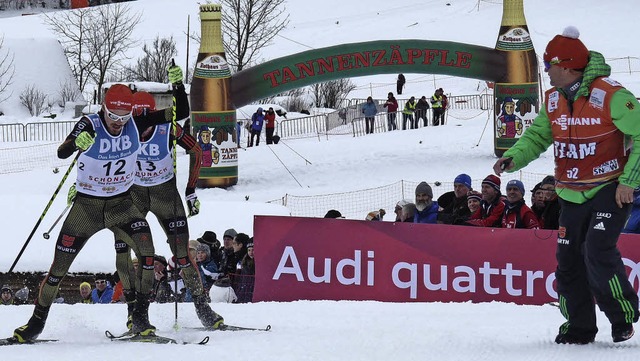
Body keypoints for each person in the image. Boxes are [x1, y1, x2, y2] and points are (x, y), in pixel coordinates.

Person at [11, 72, 189, 343]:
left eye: (123, 118)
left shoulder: (136, 120)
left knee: (147, 253)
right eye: (113, 117)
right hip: (87, 209)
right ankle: (34, 325)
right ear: (104, 109)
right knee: (58, 270)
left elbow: (181, 112)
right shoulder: (90, 123)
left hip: (122, 205)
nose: (118, 124)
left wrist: (177, 85)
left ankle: (140, 319)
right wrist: (75, 144)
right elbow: (62, 151)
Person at [493, 26, 640, 344]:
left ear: (568, 66)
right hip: (571, 193)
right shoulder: (554, 99)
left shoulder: (612, 96)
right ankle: (579, 326)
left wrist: (629, 181)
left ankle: (623, 316)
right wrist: (514, 158)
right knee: (569, 261)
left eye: (549, 66)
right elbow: (537, 136)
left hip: (609, 187)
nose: (545, 71)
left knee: (597, 251)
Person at [109, 86, 222, 331]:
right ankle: (136, 312)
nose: (141, 128)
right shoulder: (123, 131)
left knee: (182, 254)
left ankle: (203, 307)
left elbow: (196, 150)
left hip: (165, 194)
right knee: (132, 253)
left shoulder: (169, 128)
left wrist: (191, 189)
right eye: (136, 121)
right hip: (135, 194)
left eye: (145, 120)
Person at [236, 238, 255, 303]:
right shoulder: (244, 262)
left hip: (252, 289)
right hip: (244, 288)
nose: (251, 252)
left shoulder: (258, 263)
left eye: (253, 250)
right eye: (249, 250)